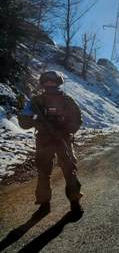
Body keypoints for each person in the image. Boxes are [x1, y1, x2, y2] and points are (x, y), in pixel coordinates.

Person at [18, 71, 83, 217]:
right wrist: (36, 121)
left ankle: (75, 203)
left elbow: (77, 119)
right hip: (44, 141)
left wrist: (65, 130)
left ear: (58, 83)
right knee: (44, 173)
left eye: (52, 82)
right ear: (43, 84)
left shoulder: (67, 100)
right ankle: (44, 204)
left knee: (69, 172)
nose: (50, 85)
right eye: (47, 82)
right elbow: (23, 121)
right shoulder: (36, 102)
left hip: (62, 140)